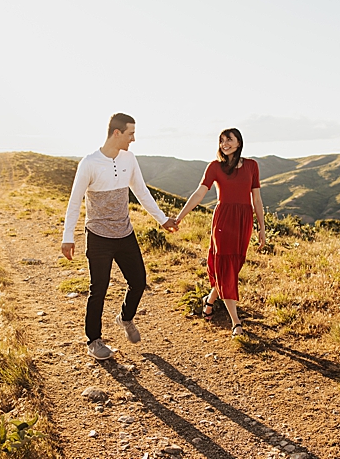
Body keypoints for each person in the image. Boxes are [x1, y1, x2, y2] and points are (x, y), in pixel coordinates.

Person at [60, 112, 170, 361]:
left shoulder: (129, 159)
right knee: (98, 288)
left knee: (139, 281)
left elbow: (141, 192)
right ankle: (94, 340)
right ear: (117, 133)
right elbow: (74, 202)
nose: (133, 139)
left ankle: (125, 318)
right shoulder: (89, 163)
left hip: (124, 233)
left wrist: (162, 220)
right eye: (131, 133)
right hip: (99, 236)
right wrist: (68, 237)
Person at [166, 128, 266, 330]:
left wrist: (262, 228)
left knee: (234, 266)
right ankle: (236, 322)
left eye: (229, 139)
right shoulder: (215, 167)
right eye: (221, 141)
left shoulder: (252, 166)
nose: (225, 144)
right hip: (223, 221)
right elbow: (198, 194)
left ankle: (210, 300)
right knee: (226, 267)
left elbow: (256, 199)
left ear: (239, 142)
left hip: (243, 220)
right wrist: (179, 217)